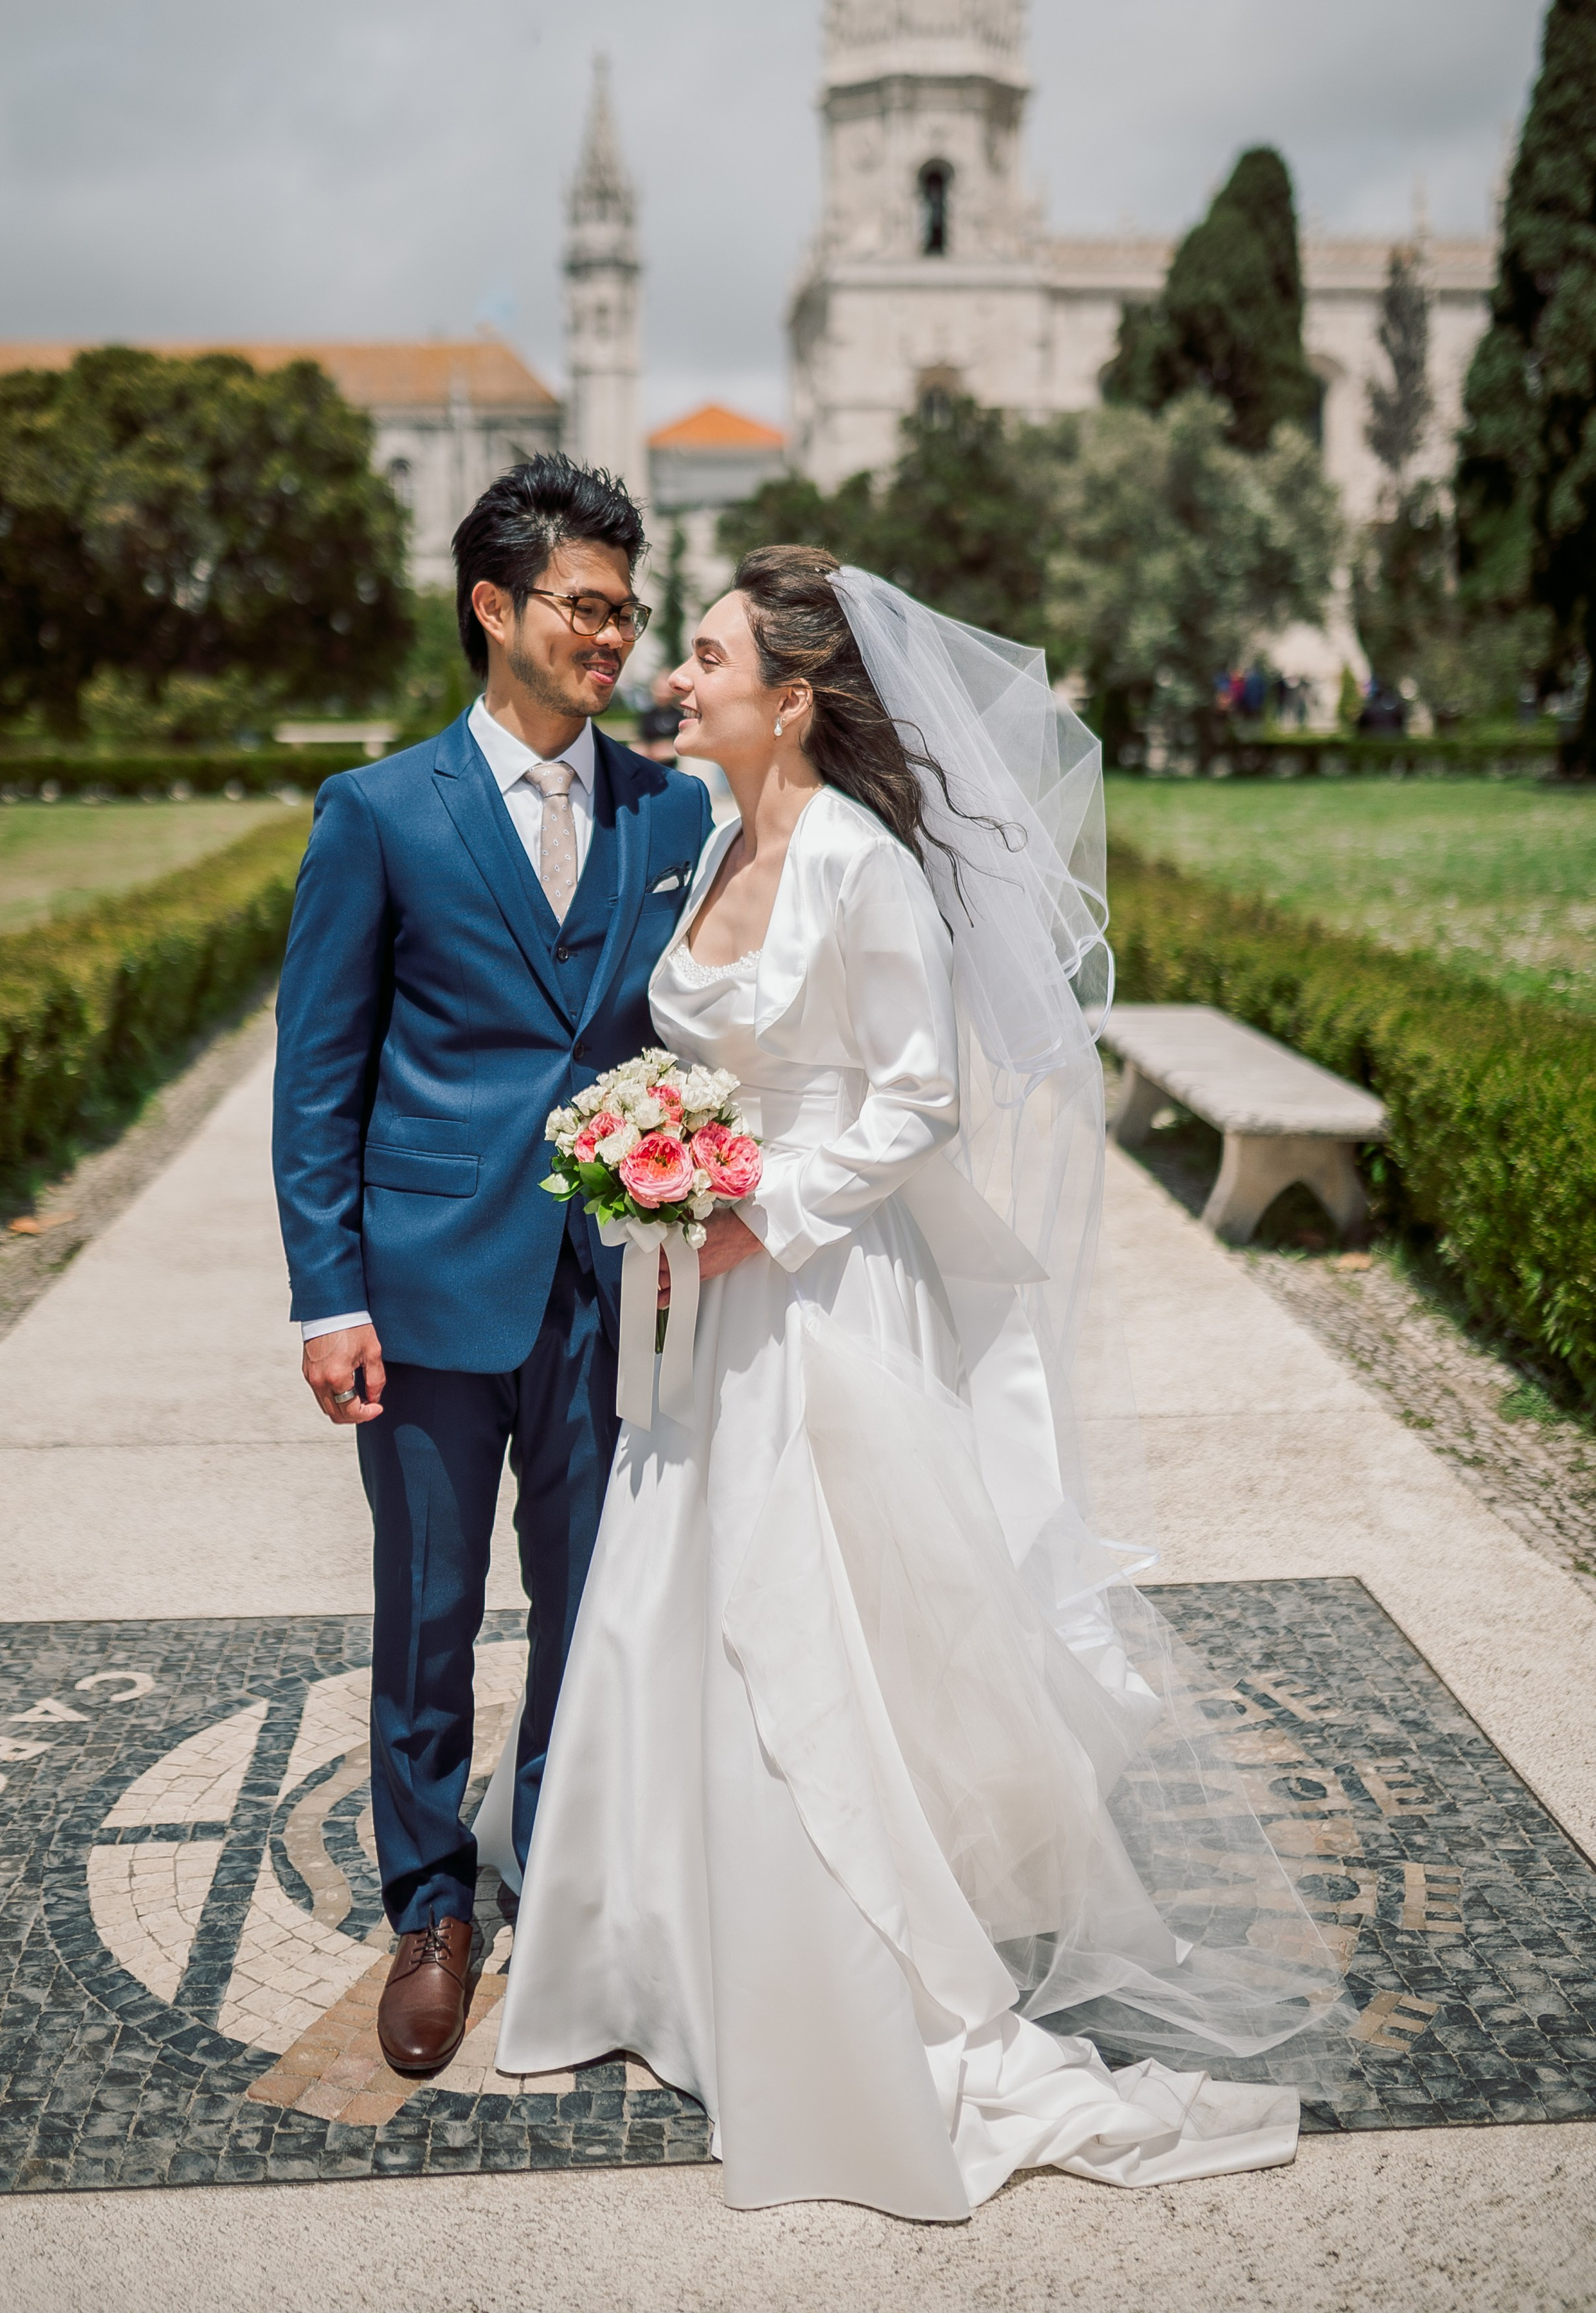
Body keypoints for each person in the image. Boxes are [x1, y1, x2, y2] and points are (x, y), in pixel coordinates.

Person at [496, 546, 1341, 2217]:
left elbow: (913, 1097)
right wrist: (653, 1163)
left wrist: (767, 1209)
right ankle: (671, 1948)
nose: (675, 672)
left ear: (791, 696)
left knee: (812, 1618)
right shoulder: (720, 840)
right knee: (677, 1600)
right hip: (703, 1295)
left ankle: (841, 1966)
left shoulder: (859, 864)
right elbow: (707, 1053)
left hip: (814, 1295)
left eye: (711, 654)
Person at [271, 454, 711, 2078]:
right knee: (429, 1614)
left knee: (594, 1608)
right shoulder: (377, 813)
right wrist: (329, 1291)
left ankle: (567, 1878)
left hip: (615, 1296)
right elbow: (320, 1073)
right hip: (431, 1289)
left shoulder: (675, 809)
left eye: (626, 610)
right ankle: (431, 1907)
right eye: (586, 608)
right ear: (492, 608)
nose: (614, 638)